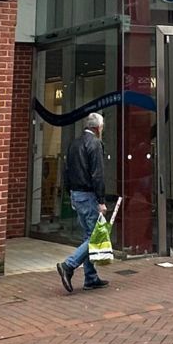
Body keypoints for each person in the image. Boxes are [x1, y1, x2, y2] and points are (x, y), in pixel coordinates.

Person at [56, 112, 110, 294]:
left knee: (88, 234)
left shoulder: (74, 143)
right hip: (88, 195)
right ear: (98, 128)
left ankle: (91, 277)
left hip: (76, 194)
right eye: (102, 127)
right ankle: (69, 265)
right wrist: (101, 200)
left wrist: (69, 193)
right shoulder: (95, 144)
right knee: (95, 237)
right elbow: (98, 174)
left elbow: (66, 170)